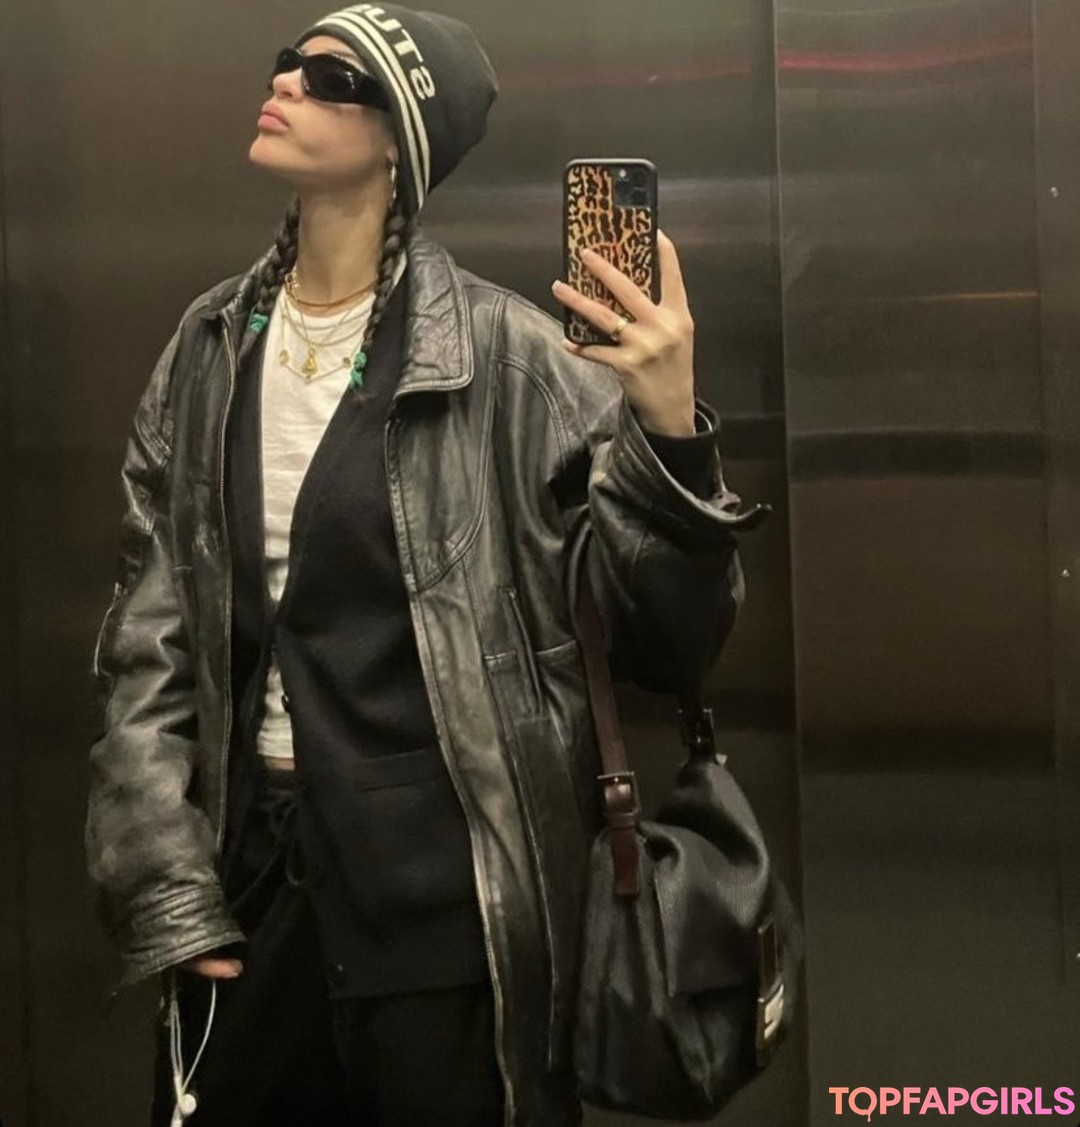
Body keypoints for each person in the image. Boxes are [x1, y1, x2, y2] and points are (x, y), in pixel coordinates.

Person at [86, 4, 763, 1125]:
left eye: (333, 77)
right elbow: (144, 641)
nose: (288, 82)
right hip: (249, 892)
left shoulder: (513, 361)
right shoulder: (210, 346)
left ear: (400, 140)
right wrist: (162, 880)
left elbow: (672, 639)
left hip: (453, 917)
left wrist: (670, 430)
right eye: (289, 63)